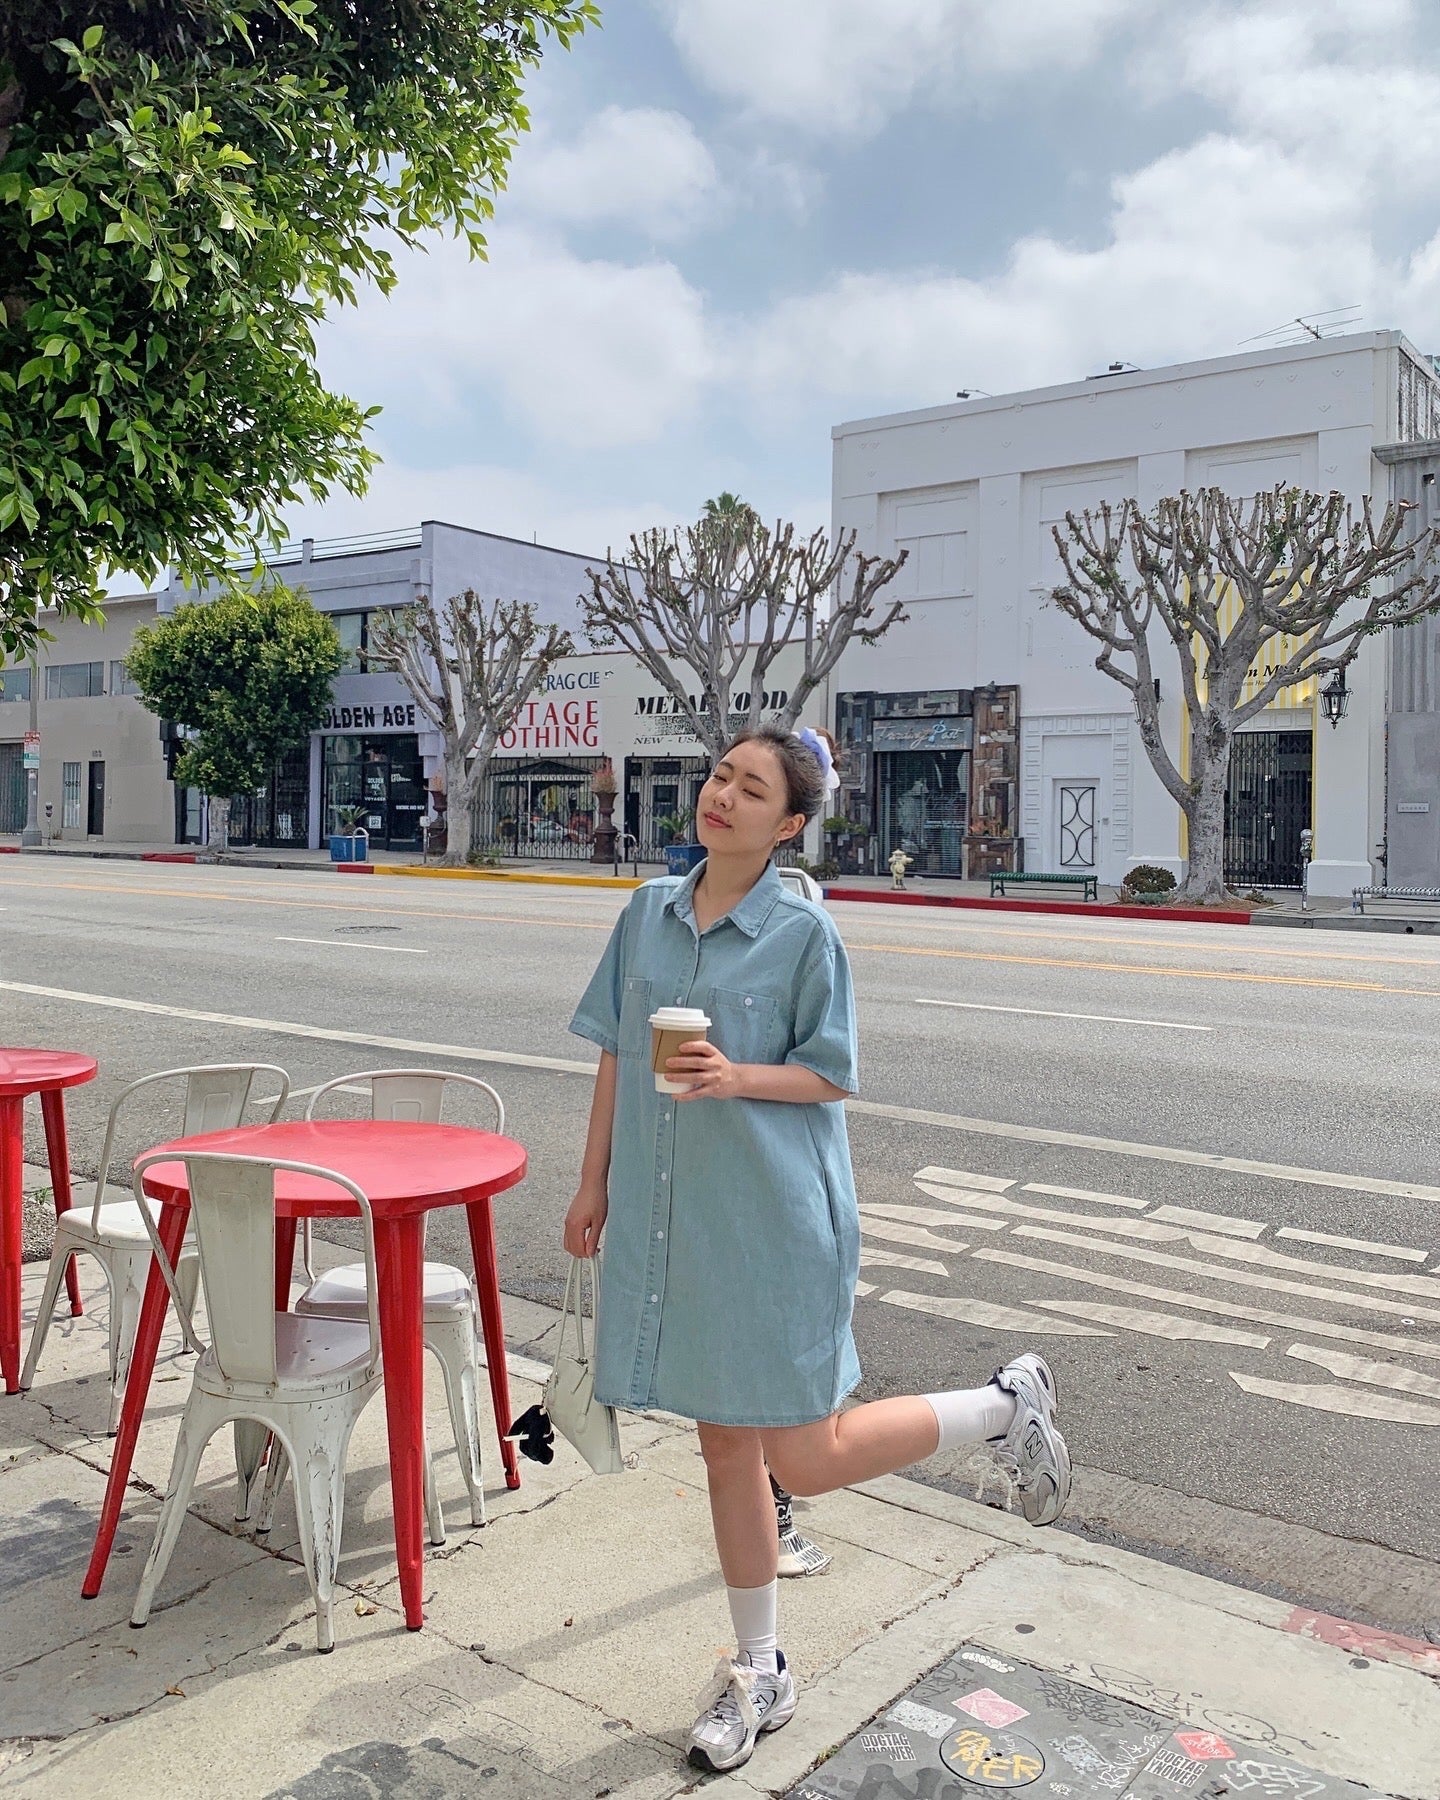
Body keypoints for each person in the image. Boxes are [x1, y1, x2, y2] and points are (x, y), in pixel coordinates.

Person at [564, 724, 1071, 1777]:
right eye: (719, 776)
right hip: (677, 1220)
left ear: (790, 824)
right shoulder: (648, 913)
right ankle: (760, 1668)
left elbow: (832, 1075)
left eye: (751, 789)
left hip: (774, 1223)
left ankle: (1005, 1407)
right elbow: (618, 1048)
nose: (722, 797)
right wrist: (592, 1179)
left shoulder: (803, 935)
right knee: (722, 1448)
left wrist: (734, 1075)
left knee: (803, 1455)